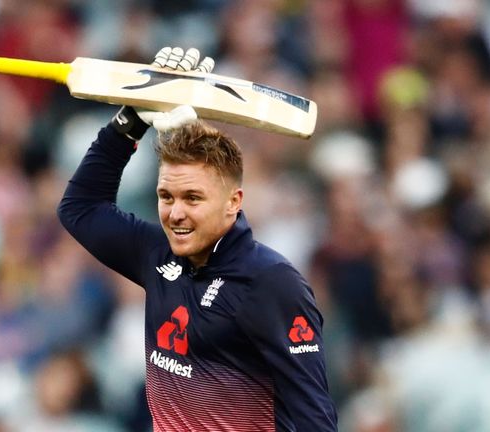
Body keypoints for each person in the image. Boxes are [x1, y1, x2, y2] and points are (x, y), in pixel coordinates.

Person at [58, 47, 337, 431]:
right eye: (166, 197)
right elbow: (80, 208)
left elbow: (314, 419)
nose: (175, 213)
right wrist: (134, 116)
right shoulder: (158, 255)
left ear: (233, 202)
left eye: (193, 198)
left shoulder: (271, 282)